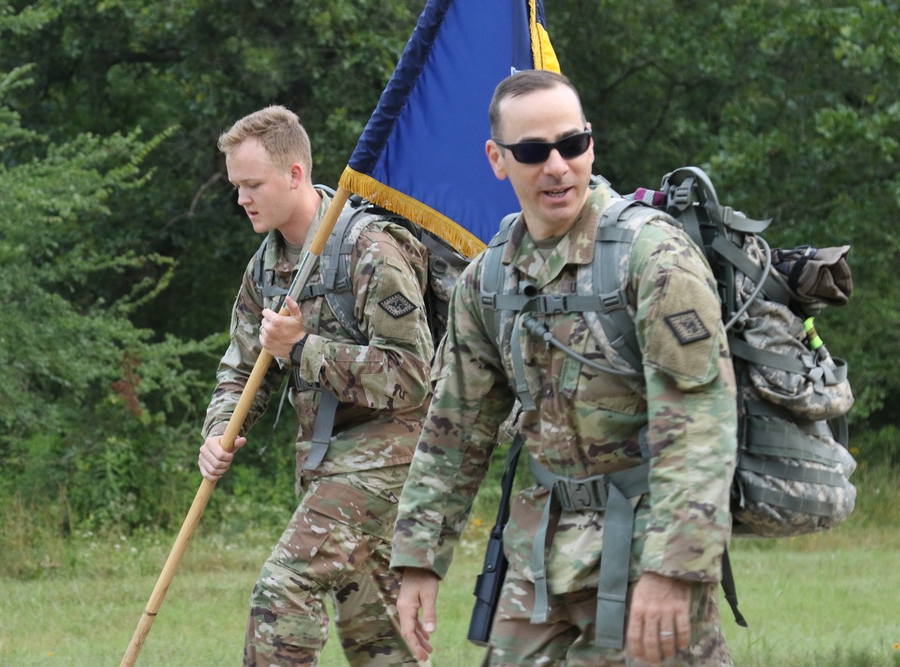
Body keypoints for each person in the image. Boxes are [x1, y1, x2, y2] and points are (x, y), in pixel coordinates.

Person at [390, 69, 738, 666]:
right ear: (497, 160)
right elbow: (456, 429)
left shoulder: (651, 255)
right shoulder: (490, 279)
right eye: (533, 151)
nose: (557, 166)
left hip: (647, 543)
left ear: (590, 144)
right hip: (539, 552)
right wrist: (419, 559)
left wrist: (674, 568)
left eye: (571, 145)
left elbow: (700, 421)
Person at [199, 105, 433, 667]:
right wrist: (217, 432)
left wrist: (303, 350)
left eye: (252, 184)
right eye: (236, 186)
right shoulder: (268, 266)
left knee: (284, 589)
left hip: (391, 456)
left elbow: (412, 374)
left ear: (295, 174)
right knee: (379, 640)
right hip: (326, 461)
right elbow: (240, 367)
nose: (241, 199)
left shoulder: (370, 249)